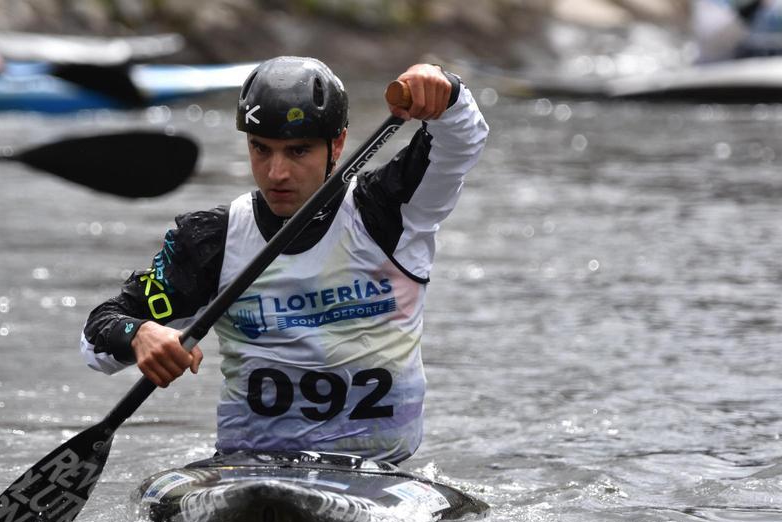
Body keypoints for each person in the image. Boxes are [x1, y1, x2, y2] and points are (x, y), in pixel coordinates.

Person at [80, 57, 488, 465]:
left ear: (339, 144)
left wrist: (445, 88)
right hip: (249, 473)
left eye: (298, 151)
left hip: (379, 476)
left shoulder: (391, 212)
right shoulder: (214, 240)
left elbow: (460, 140)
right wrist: (139, 335)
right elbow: (98, 340)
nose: (276, 173)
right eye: (261, 149)